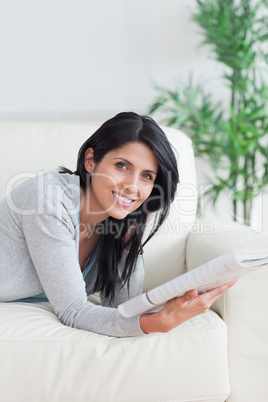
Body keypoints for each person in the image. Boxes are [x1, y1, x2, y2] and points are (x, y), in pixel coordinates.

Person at [0, 112, 237, 337]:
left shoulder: (115, 222)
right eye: (122, 166)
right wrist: (157, 322)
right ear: (91, 161)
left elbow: (120, 308)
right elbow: (73, 311)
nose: (132, 186)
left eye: (147, 176)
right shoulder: (49, 199)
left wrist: (132, 237)